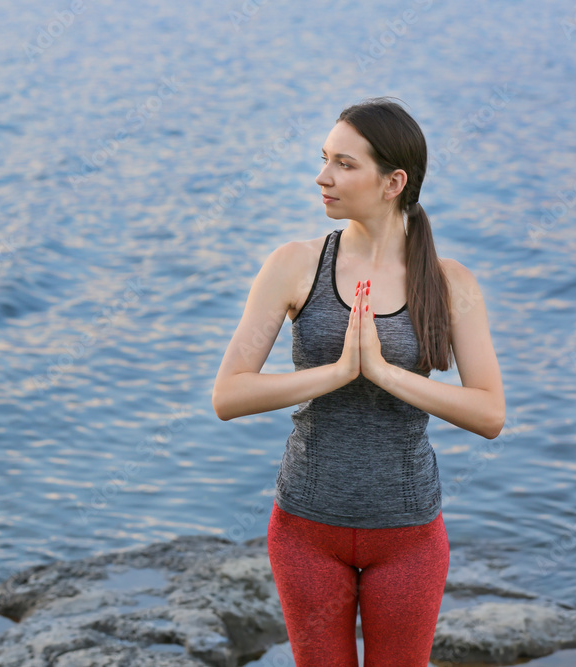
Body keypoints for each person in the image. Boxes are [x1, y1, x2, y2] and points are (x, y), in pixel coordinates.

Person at [210, 97, 506, 666]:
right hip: (304, 529)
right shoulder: (293, 265)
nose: (323, 177)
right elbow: (228, 395)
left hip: (408, 536)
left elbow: (489, 414)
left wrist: (387, 374)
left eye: (345, 164)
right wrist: (338, 373)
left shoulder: (450, 282)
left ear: (394, 181)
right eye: (325, 159)